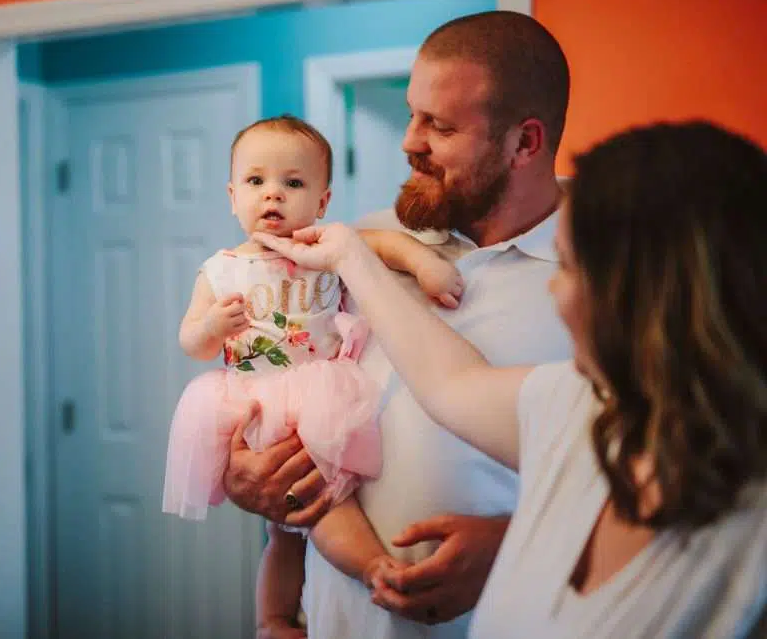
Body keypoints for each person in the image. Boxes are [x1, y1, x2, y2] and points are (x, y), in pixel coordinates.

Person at [257, 120, 767, 638]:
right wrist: (348, 253)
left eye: (565, 266)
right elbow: (448, 381)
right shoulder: (575, 409)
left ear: (640, 297)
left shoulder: (751, 546)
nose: (551, 288)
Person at [224, 11, 575, 639]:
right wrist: (245, 478)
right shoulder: (357, 245)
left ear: (525, 142)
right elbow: (288, 395)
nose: (409, 141)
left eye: (438, 125)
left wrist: (512, 543)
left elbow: (670, 488)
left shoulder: (610, 280)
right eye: (412, 114)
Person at [160, 115, 463, 633]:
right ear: (233, 196)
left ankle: (362, 570)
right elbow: (192, 341)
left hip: (321, 391)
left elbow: (385, 247)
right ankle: (279, 616)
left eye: (293, 183)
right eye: (256, 182)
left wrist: (425, 266)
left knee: (320, 505)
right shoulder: (222, 268)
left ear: (321, 201)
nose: (272, 195)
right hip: (255, 401)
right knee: (284, 529)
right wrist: (211, 324)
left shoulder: (325, 245)